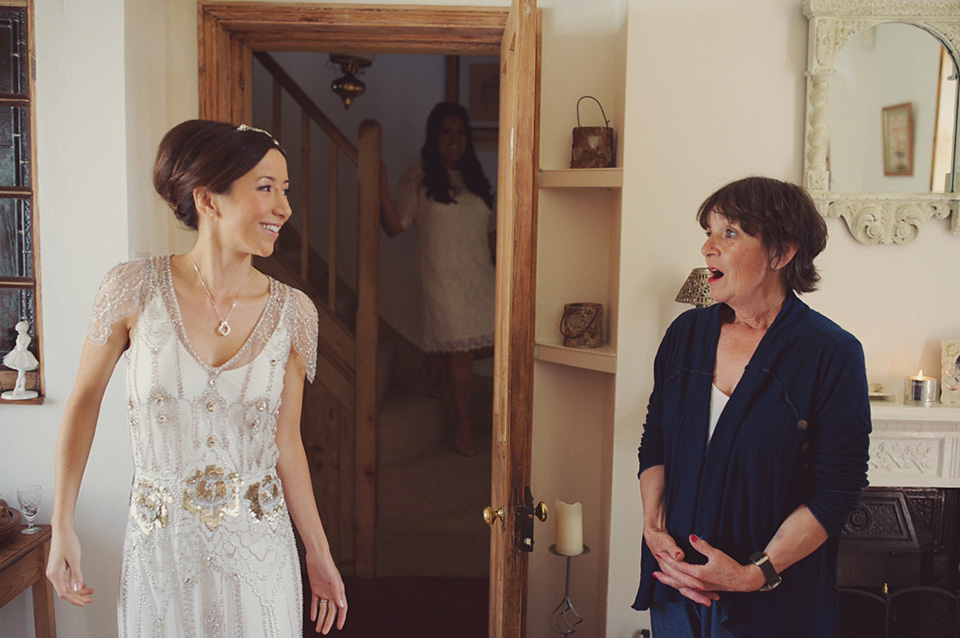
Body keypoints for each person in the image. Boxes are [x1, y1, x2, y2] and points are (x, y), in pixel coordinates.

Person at [46, 120, 347, 636]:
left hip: (260, 555)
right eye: (266, 189)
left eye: (286, 190)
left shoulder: (295, 313)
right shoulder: (131, 289)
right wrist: (62, 524)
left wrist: (317, 554)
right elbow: (83, 402)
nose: (285, 208)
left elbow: (287, 443)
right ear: (209, 200)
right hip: (161, 551)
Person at [633, 176, 871, 637]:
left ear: (781, 254)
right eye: (708, 231)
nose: (707, 247)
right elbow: (656, 441)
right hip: (679, 590)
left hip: (774, 605)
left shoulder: (832, 353)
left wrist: (752, 574)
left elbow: (836, 491)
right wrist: (652, 528)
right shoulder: (685, 336)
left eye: (730, 233)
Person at [379, 102, 496, 456]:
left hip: (479, 275)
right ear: (435, 136)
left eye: (460, 132)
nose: (454, 139)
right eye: (447, 131)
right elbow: (396, 225)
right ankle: (463, 423)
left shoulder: (476, 177)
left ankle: (437, 365)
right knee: (461, 349)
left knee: (491, 344)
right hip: (442, 278)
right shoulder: (419, 175)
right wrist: (379, 183)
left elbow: (491, 234)